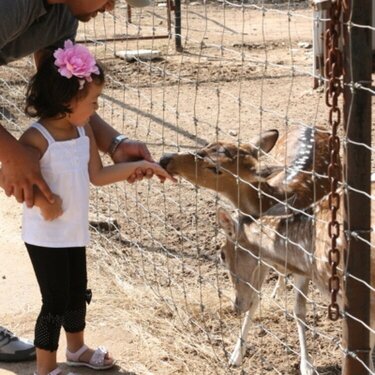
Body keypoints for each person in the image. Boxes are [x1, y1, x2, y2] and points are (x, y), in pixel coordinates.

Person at [0, 40, 175, 375]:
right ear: (68, 102)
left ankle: (77, 348)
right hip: (45, 235)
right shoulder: (36, 139)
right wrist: (40, 201)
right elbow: (8, 176)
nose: (96, 109)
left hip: (74, 230)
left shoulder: (83, 131)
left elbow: (98, 175)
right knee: (53, 303)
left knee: (76, 293)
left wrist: (146, 169)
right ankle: (46, 369)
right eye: (93, 101)